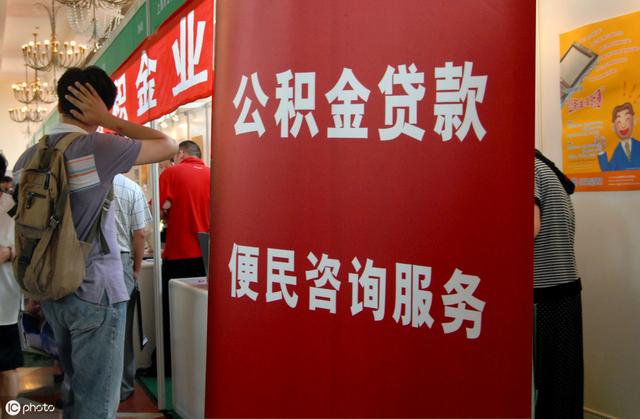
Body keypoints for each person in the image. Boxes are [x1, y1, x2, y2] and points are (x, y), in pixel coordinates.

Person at [13, 66, 177, 419]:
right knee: (98, 402)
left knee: (73, 389)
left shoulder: (28, 157)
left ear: (61, 102)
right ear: (96, 105)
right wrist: (108, 120)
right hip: (95, 292)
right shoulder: (97, 147)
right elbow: (168, 145)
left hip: (50, 288)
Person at [533, 149, 583, 419]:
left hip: (542, 294)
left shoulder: (527, 169)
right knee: (561, 386)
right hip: (564, 290)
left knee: (540, 386)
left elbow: (529, 227)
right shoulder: (546, 169)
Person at [158, 140, 210, 375]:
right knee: (203, 312)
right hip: (208, 256)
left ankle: (170, 366)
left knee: (173, 313)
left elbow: (155, 209)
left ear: (180, 153)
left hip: (179, 254)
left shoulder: (172, 173)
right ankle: (200, 364)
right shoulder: (214, 175)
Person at [112, 174, 152, 402]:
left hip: (89, 262)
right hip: (121, 262)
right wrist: (136, 268)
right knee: (123, 330)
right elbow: (140, 233)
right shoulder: (131, 188)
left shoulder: (86, 180)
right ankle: (123, 387)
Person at [0, 154, 22, 416]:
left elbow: (29, 245)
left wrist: (10, 252)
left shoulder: (14, 206)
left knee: (7, 365)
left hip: (5, 298)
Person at [595, 102, 640, 171]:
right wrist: (601, 151)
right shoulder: (617, 152)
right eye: (619, 122)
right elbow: (608, 172)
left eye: (627, 119)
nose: (623, 125)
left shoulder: (638, 145)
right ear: (613, 127)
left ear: (634, 120)